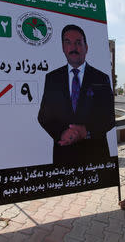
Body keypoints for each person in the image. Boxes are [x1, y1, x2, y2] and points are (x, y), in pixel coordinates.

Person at [37, 24, 115, 165]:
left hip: (95, 154)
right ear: (63, 47)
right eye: (68, 42)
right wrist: (62, 133)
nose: (73, 47)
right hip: (64, 154)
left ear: (86, 47)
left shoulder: (101, 78)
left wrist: (87, 131)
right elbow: (43, 116)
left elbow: (110, 116)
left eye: (78, 42)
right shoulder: (52, 78)